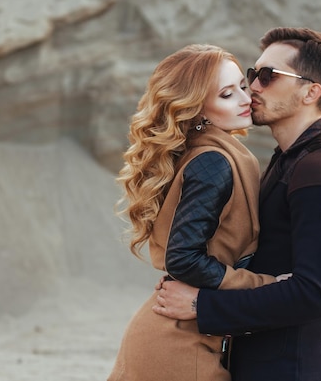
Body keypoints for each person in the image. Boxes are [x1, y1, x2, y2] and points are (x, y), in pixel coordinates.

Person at [153, 27, 321, 381]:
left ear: (311, 92)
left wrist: (201, 306)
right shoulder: (288, 160)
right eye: (254, 74)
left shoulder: (320, 170)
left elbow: (313, 294)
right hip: (259, 360)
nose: (253, 87)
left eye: (268, 76)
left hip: (289, 369)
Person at [107, 44, 286, 381]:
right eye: (226, 94)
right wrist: (262, 285)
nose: (245, 99)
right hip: (175, 344)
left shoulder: (203, 154)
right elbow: (183, 259)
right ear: (199, 110)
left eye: (242, 87)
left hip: (178, 330)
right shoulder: (213, 163)